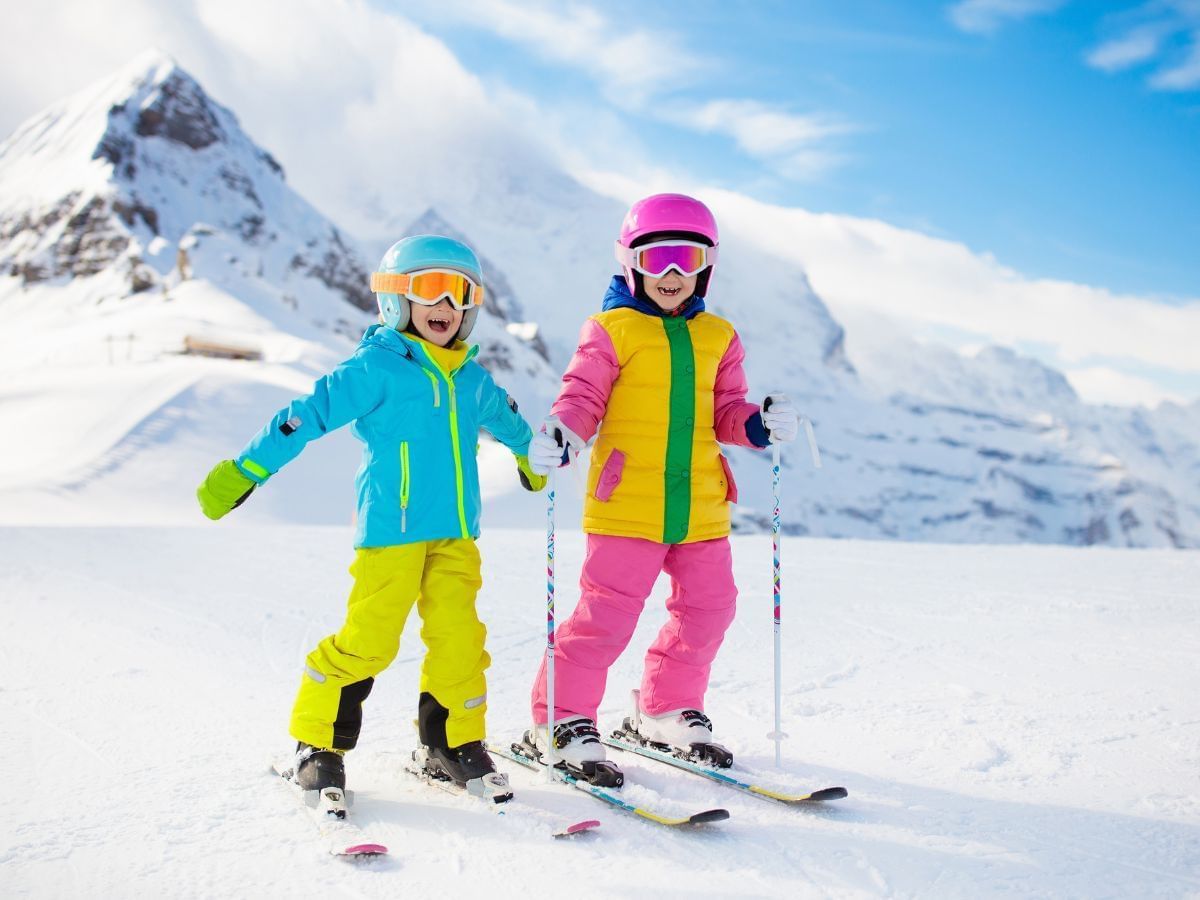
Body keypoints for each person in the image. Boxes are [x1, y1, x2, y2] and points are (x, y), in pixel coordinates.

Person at [196, 235, 545, 799]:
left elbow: (514, 427)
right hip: (392, 532)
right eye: (431, 289)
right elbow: (305, 416)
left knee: (460, 641)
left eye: (461, 293)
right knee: (370, 641)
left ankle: (450, 744)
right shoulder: (376, 369)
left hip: (456, 535)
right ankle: (317, 743)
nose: (446, 306)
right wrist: (245, 470)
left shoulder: (472, 379)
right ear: (396, 299)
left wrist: (535, 461)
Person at [523, 193, 800, 779]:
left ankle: (666, 707)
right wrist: (563, 434)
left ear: (707, 265)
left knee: (710, 609)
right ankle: (561, 719)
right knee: (606, 617)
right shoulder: (610, 330)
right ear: (630, 262)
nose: (671, 273)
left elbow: (727, 411)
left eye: (687, 257)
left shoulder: (720, 336)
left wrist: (758, 424)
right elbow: (582, 398)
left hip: (700, 503)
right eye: (656, 258)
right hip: (626, 504)